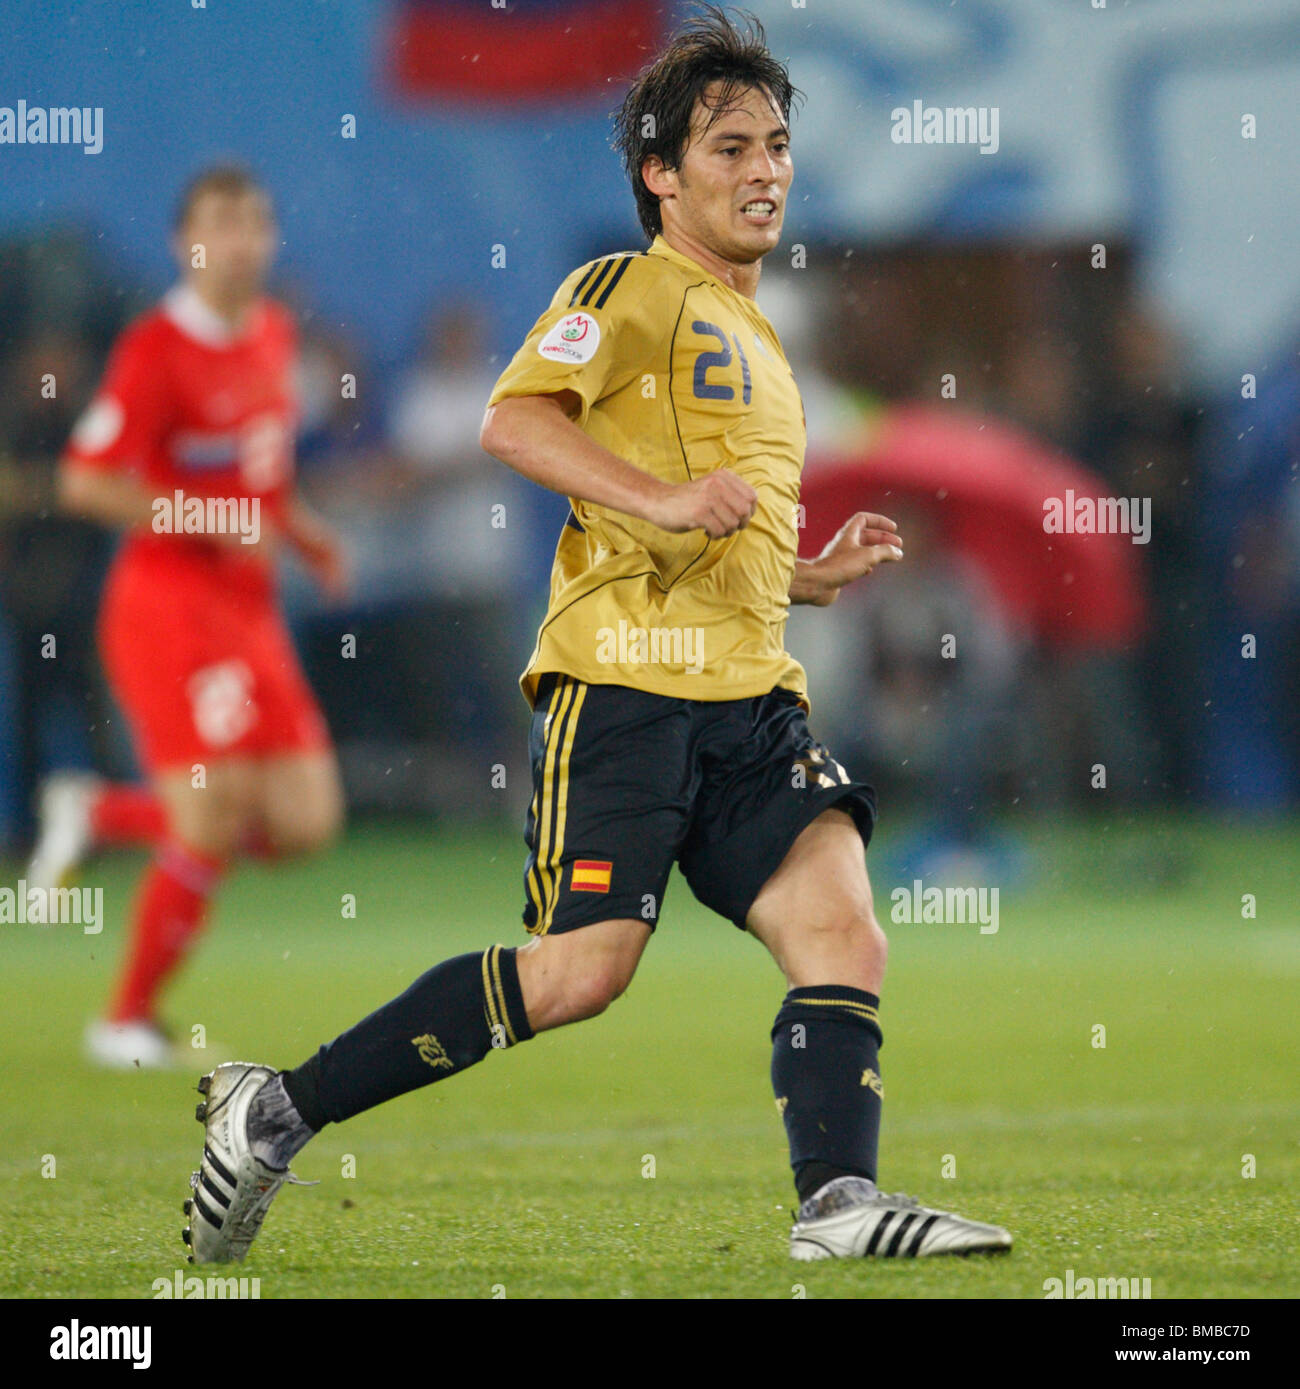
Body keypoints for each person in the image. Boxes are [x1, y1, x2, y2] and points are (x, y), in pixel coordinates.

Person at [182, 7, 1010, 1265]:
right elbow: (514, 423)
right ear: (660, 177)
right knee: (579, 974)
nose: (764, 168)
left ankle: (838, 1207)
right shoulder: (624, 289)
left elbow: (711, 536)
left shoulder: (764, 340)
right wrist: (669, 499)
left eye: (777, 143)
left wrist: (804, 576)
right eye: (728, 146)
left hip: (751, 705)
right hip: (621, 694)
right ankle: (274, 1110)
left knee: (843, 928)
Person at [51, 164, 347, 1069]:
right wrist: (221, 520)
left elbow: (258, 467)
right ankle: (124, 1018)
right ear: (185, 241)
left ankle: (105, 814)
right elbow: (85, 481)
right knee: (214, 810)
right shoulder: (154, 349)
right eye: (223, 222)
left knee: (305, 822)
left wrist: (300, 531)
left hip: (248, 612)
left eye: (258, 221)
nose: (244, 238)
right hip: (168, 605)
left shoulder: (270, 331)